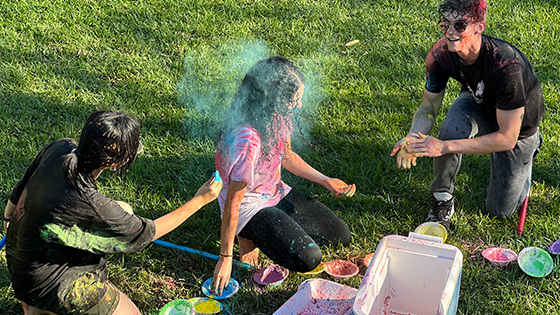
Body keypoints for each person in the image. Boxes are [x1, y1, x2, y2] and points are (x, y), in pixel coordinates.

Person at [2, 111, 222, 315]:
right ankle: (45, 308)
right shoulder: (92, 205)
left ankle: (36, 308)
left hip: (21, 266)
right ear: (116, 163)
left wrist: (7, 218)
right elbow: (146, 233)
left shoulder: (60, 148)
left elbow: (23, 184)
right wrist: (199, 201)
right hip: (53, 286)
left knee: (124, 208)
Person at [390, 0, 545, 229]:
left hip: (518, 130)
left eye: (460, 25)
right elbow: (428, 108)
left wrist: (444, 147)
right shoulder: (440, 54)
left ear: (479, 27)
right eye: (445, 24)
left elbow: (507, 138)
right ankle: (442, 198)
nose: (451, 32)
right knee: (450, 130)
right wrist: (413, 136)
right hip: (478, 101)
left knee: (500, 211)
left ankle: (532, 146)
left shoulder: (505, 65)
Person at [211, 57, 355, 295]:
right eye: (295, 99)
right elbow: (233, 202)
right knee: (308, 259)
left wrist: (325, 180)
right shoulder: (248, 139)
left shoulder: (275, 115)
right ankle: (247, 235)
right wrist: (225, 257)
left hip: (275, 192)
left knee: (341, 237)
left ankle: (271, 228)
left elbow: (285, 155)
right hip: (248, 206)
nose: (298, 105)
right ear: (273, 99)